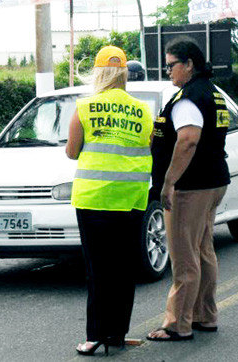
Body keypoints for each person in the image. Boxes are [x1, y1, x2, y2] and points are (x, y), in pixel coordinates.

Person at [66, 45, 154, 355]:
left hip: (94, 198)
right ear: (125, 74)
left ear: (99, 72)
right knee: (123, 267)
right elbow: (148, 147)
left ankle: (95, 336)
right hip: (131, 198)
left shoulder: (86, 107)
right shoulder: (143, 110)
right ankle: (117, 333)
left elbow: (71, 151)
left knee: (98, 268)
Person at [147, 37, 230, 342]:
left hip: (190, 187)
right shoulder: (212, 92)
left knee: (183, 258)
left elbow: (188, 140)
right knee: (203, 251)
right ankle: (204, 315)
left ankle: (177, 324)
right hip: (213, 181)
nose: (168, 71)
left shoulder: (189, 98)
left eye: (171, 65)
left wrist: (168, 182)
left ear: (189, 64)